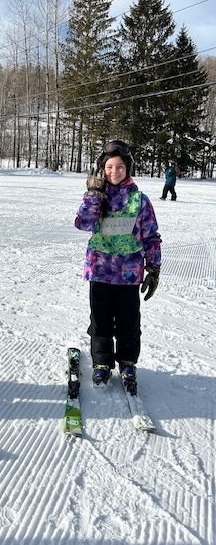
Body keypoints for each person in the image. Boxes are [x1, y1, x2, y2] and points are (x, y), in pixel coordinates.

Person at [74, 139, 161, 395]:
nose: (115, 171)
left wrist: (153, 268)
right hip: (100, 272)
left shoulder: (139, 200)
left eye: (120, 166)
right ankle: (102, 362)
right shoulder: (96, 197)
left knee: (129, 322)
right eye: (110, 166)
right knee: (100, 321)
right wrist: (92, 196)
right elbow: (82, 224)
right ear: (103, 168)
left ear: (128, 168)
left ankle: (127, 362)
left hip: (129, 275)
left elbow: (151, 236)